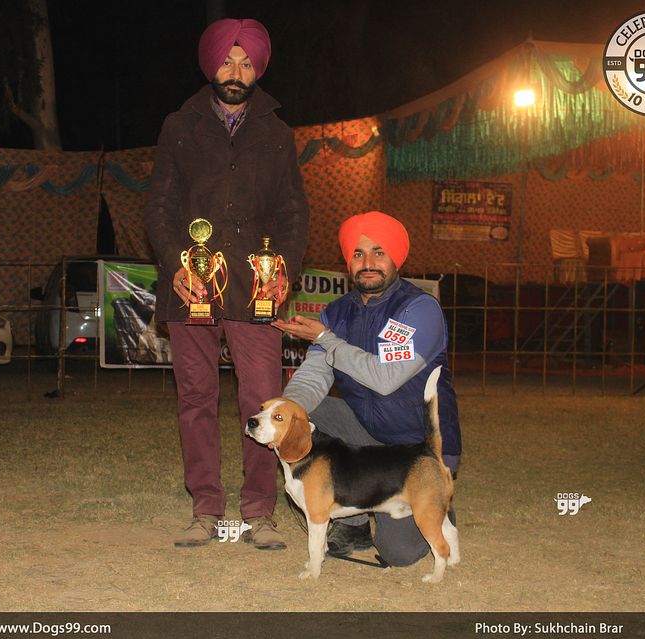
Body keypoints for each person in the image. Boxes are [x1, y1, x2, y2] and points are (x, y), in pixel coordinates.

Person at [143, 18, 310, 550]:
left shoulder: (278, 133)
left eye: (246, 63)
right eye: (227, 61)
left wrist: (284, 269)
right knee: (196, 398)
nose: (236, 72)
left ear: (258, 69)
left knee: (263, 400)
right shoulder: (179, 125)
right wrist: (175, 265)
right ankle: (206, 509)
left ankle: (259, 512)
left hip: (256, 287)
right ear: (210, 65)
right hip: (190, 285)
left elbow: (293, 212)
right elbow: (159, 206)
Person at [272, 210, 462, 567]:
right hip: (366, 436)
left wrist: (327, 339)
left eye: (379, 252)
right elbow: (312, 378)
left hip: (417, 447)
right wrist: (281, 417)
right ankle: (353, 521)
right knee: (300, 410)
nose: (368, 263)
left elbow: (385, 379)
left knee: (400, 553)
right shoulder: (336, 313)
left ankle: (436, 496)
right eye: (358, 254)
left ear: (396, 258)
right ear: (348, 261)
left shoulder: (419, 309)